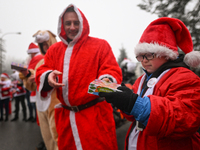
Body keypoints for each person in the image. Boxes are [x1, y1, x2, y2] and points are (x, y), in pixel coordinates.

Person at [99, 17, 200, 150]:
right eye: (140, 56)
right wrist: (122, 100)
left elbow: (183, 119)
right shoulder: (141, 80)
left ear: (166, 53)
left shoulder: (185, 77)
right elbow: (132, 115)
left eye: (149, 55)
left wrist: (133, 103)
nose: (144, 60)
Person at [35, 4, 122, 150]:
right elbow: (42, 70)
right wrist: (48, 76)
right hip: (66, 119)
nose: (72, 27)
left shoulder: (100, 45)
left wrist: (106, 82)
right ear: (62, 25)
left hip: (95, 117)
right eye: (68, 23)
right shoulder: (54, 50)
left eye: (76, 23)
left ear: (83, 23)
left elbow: (113, 70)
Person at [23, 30, 59, 150]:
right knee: (48, 138)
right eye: (42, 45)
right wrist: (30, 79)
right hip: (42, 105)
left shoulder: (60, 58)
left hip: (55, 104)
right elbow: (32, 87)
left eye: (46, 43)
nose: (45, 47)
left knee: (58, 139)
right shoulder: (39, 63)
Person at [19, 43, 44, 122]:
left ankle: (38, 121)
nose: (30, 55)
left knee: (38, 108)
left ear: (33, 52)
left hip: (35, 85)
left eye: (30, 53)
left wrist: (24, 73)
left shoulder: (37, 58)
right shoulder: (36, 58)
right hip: (34, 85)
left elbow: (30, 71)